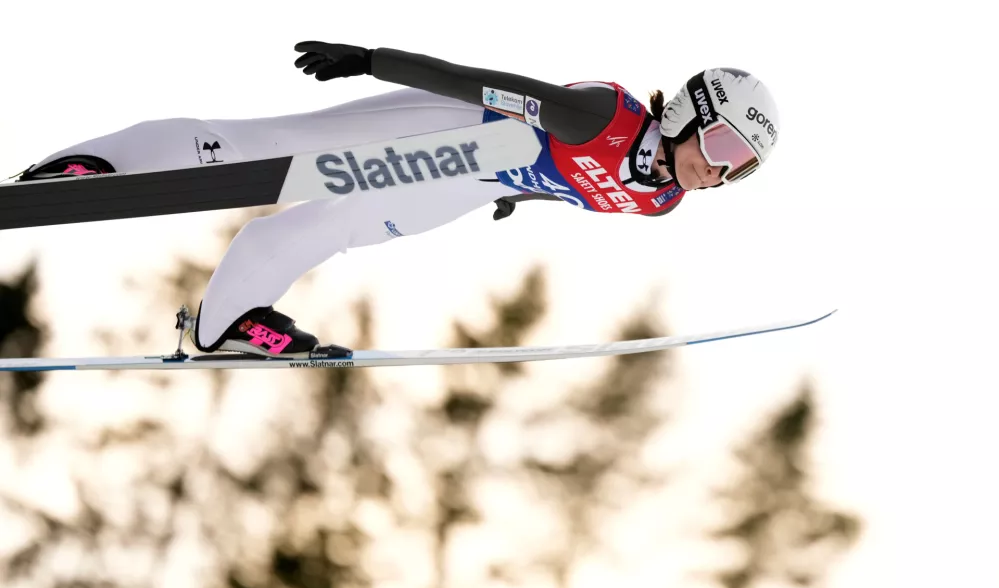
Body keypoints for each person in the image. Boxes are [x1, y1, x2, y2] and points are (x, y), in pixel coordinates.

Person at [16, 42, 780, 358]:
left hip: (471, 184)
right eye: (719, 148)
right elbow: (479, 83)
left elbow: (572, 184)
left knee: (332, 227)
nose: (717, 173)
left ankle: (226, 323)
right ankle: (90, 169)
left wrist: (519, 196)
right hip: (458, 124)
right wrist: (372, 58)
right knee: (263, 146)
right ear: (688, 113)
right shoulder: (602, 116)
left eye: (738, 169)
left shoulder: (657, 204)